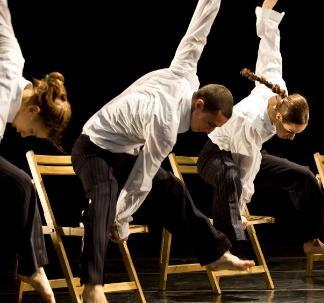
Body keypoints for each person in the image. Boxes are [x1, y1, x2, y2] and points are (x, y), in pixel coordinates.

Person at [71, 0, 254, 302]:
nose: (209, 132)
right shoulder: (165, 124)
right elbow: (141, 180)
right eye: (209, 123)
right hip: (93, 148)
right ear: (199, 104)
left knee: (173, 188)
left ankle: (214, 252)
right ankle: (93, 285)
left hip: (125, 151)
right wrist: (121, 217)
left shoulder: (185, 75)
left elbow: (195, 37)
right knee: (104, 196)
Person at [197, 0, 324, 258]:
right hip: (217, 156)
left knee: (304, 176)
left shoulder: (276, 88)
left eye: (298, 132)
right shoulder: (249, 120)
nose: (291, 136)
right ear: (277, 116)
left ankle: (312, 239)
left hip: (248, 154)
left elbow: (270, 48)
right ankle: (222, 249)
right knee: (230, 175)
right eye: (289, 129)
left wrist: (267, 11)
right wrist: (241, 208)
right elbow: (246, 165)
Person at [0, 0, 72, 302]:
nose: (25, 134)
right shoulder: (4, 96)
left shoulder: (13, 58)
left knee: (20, 186)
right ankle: (32, 269)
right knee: (19, 185)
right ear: (32, 109)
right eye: (32, 130)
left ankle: (32, 268)